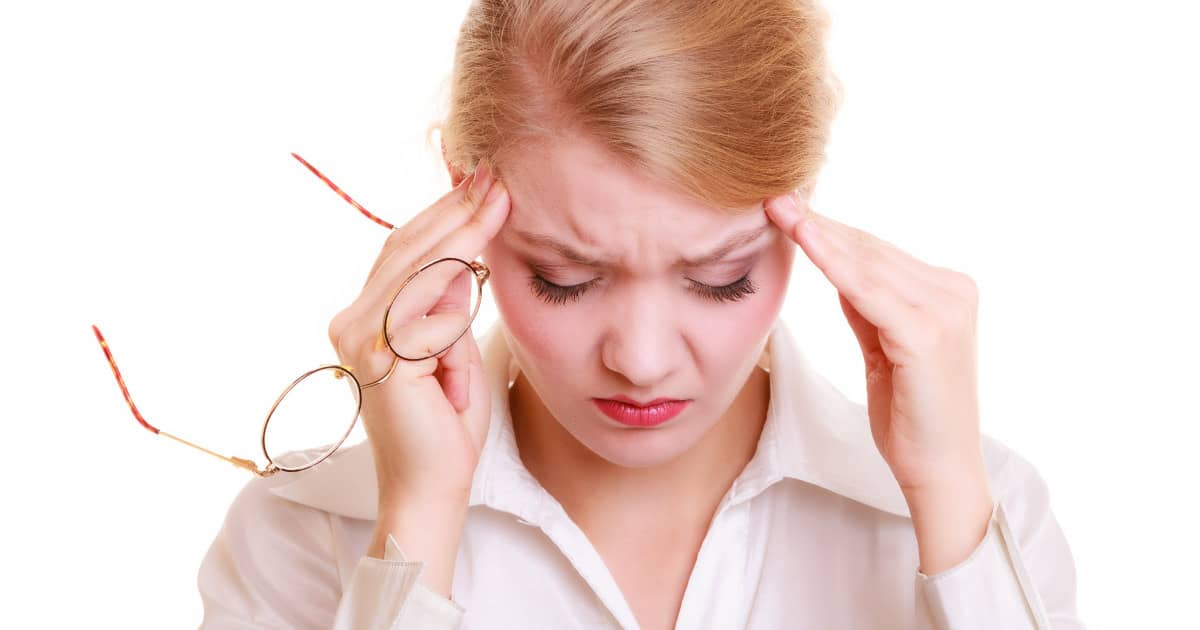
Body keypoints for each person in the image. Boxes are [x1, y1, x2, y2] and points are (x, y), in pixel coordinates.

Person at [196, 1, 1084, 628]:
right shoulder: (304, 533)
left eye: (720, 278)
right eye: (566, 279)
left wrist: (952, 514)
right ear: (460, 208)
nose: (644, 359)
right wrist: (417, 525)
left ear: (802, 205)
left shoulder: (978, 512)